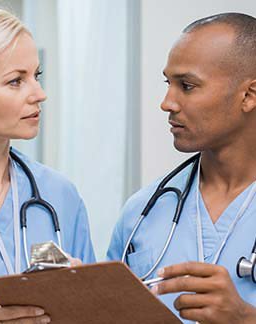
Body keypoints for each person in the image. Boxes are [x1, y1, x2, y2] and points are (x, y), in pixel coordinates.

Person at [107, 12, 256, 324]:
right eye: (168, 83)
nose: (167, 102)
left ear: (249, 95)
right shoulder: (143, 211)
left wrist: (244, 318)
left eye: (187, 86)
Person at [0, 6, 95, 323]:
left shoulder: (58, 195)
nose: (40, 94)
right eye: (16, 81)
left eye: (37, 76)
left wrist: (84, 296)